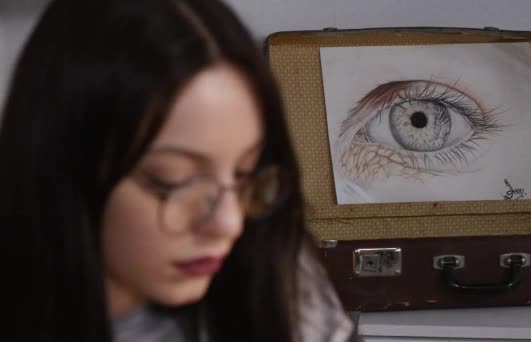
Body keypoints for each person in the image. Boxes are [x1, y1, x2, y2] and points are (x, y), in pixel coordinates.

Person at [0, 0, 353, 341]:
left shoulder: (271, 277)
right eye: (175, 182)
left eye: (244, 176)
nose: (230, 225)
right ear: (65, 165)